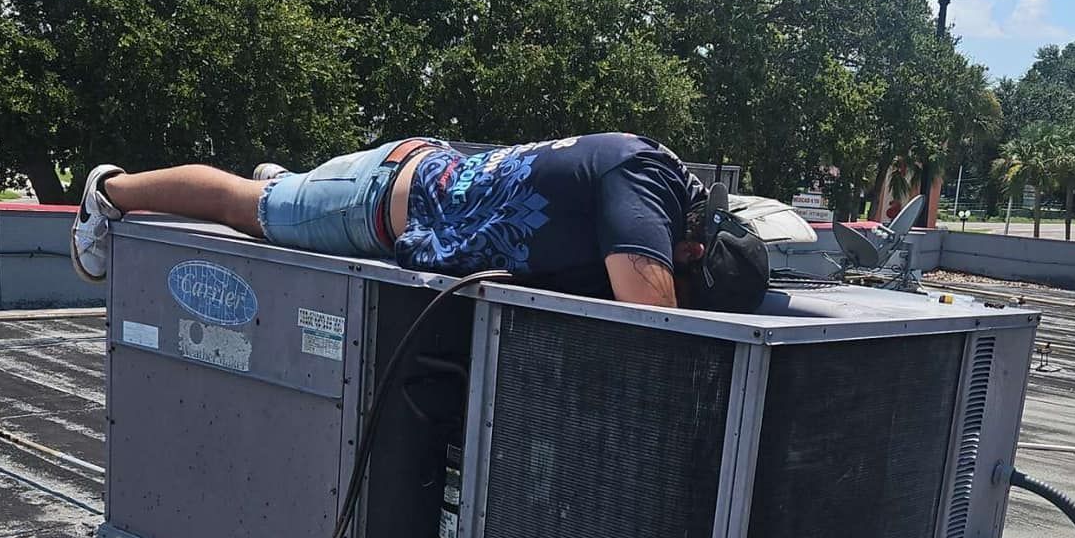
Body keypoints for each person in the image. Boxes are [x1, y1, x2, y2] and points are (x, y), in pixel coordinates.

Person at [70, 132, 769, 311]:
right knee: (240, 208)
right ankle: (110, 193)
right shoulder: (639, 186)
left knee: (276, 200)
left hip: (411, 179)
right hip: (374, 205)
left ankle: (288, 185)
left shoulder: (652, 172)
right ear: (689, 251)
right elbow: (653, 315)